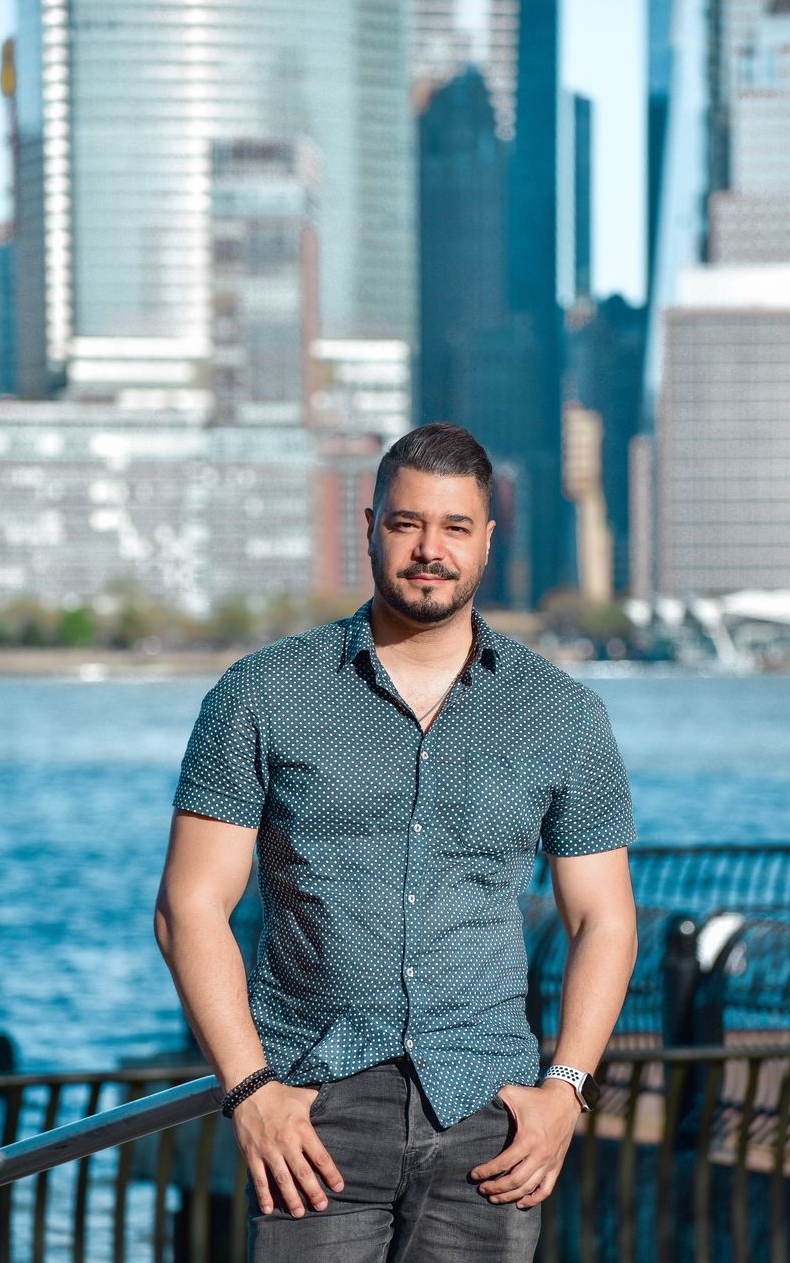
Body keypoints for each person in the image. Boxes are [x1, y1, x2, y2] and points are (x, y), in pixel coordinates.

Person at [154, 422, 639, 1263]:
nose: (429, 549)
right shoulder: (264, 693)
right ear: (371, 525)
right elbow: (189, 906)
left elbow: (604, 919)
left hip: (489, 1113)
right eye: (407, 524)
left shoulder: (562, 714)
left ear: (488, 541)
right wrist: (249, 1091)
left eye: (454, 528)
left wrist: (566, 1090)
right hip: (311, 1111)